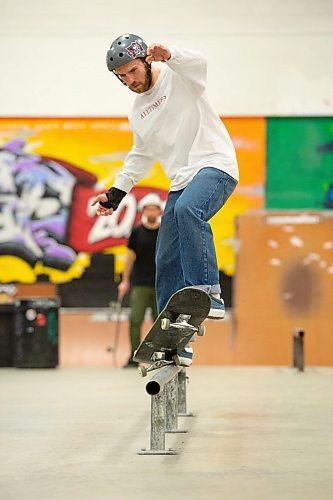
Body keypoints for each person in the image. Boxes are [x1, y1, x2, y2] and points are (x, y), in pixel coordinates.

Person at [92, 34, 239, 366]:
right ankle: (174, 339)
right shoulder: (138, 112)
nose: (130, 81)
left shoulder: (179, 76)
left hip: (215, 164)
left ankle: (208, 292)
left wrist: (171, 54)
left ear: (145, 61)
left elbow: (199, 62)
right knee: (166, 256)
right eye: (122, 77)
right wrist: (115, 195)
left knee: (188, 210)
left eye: (132, 71)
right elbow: (139, 155)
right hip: (182, 179)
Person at [118, 193, 163, 368]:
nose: (151, 211)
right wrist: (124, 281)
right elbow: (130, 258)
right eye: (148, 208)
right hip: (140, 284)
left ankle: (158, 355)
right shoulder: (137, 232)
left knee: (159, 321)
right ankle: (134, 355)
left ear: (159, 211)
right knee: (135, 319)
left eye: (154, 208)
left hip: (160, 284)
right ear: (143, 211)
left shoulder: (164, 231)